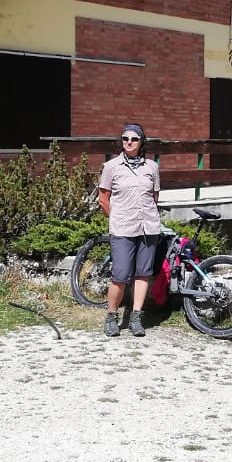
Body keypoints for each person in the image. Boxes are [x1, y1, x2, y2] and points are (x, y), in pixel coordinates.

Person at [97, 122, 160, 337]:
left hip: (148, 227)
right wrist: (117, 217)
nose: (129, 142)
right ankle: (111, 316)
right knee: (121, 275)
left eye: (134, 139)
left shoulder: (152, 167)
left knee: (143, 274)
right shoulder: (111, 167)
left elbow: (154, 197)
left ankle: (136, 317)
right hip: (123, 228)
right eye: (125, 139)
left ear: (141, 142)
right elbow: (103, 199)